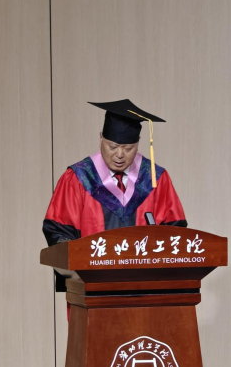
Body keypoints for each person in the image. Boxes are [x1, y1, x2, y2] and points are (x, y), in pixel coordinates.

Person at [43, 99, 187, 253]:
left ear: (138, 144)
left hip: (144, 267)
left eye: (128, 148)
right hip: (92, 267)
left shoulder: (154, 178)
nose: (119, 155)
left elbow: (175, 232)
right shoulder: (78, 177)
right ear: (101, 139)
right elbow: (59, 231)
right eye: (113, 147)